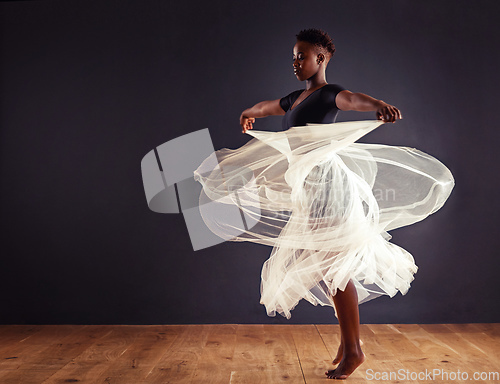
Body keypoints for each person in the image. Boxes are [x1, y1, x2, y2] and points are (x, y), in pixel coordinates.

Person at [194, 29, 454, 380]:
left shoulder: (329, 95)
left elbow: (353, 100)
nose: (296, 63)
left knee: (334, 265)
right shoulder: (296, 99)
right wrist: (247, 112)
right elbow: (267, 107)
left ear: (322, 59)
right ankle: (349, 345)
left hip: (330, 188)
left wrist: (378, 106)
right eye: (294, 57)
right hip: (311, 191)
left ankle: (354, 349)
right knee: (329, 266)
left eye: (302, 57)